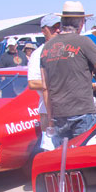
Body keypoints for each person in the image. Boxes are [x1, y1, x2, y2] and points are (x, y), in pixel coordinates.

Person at [40, 1, 96, 146]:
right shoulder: (83, 42)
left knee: (64, 161)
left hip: (58, 114)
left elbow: (45, 87)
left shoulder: (47, 48)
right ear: (81, 23)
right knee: (83, 160)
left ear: (62, 22)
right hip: (82, 112)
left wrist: (50, 118)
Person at [27, 14, 61, 150]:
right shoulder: (38, 54)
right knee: (51, 151)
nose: (57, 30)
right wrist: (61, 83)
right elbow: (33, 83)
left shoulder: (67, 50)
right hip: (49, 112)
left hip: (69, 111)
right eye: (53, 28)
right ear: (44, 30)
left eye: (59, 27)